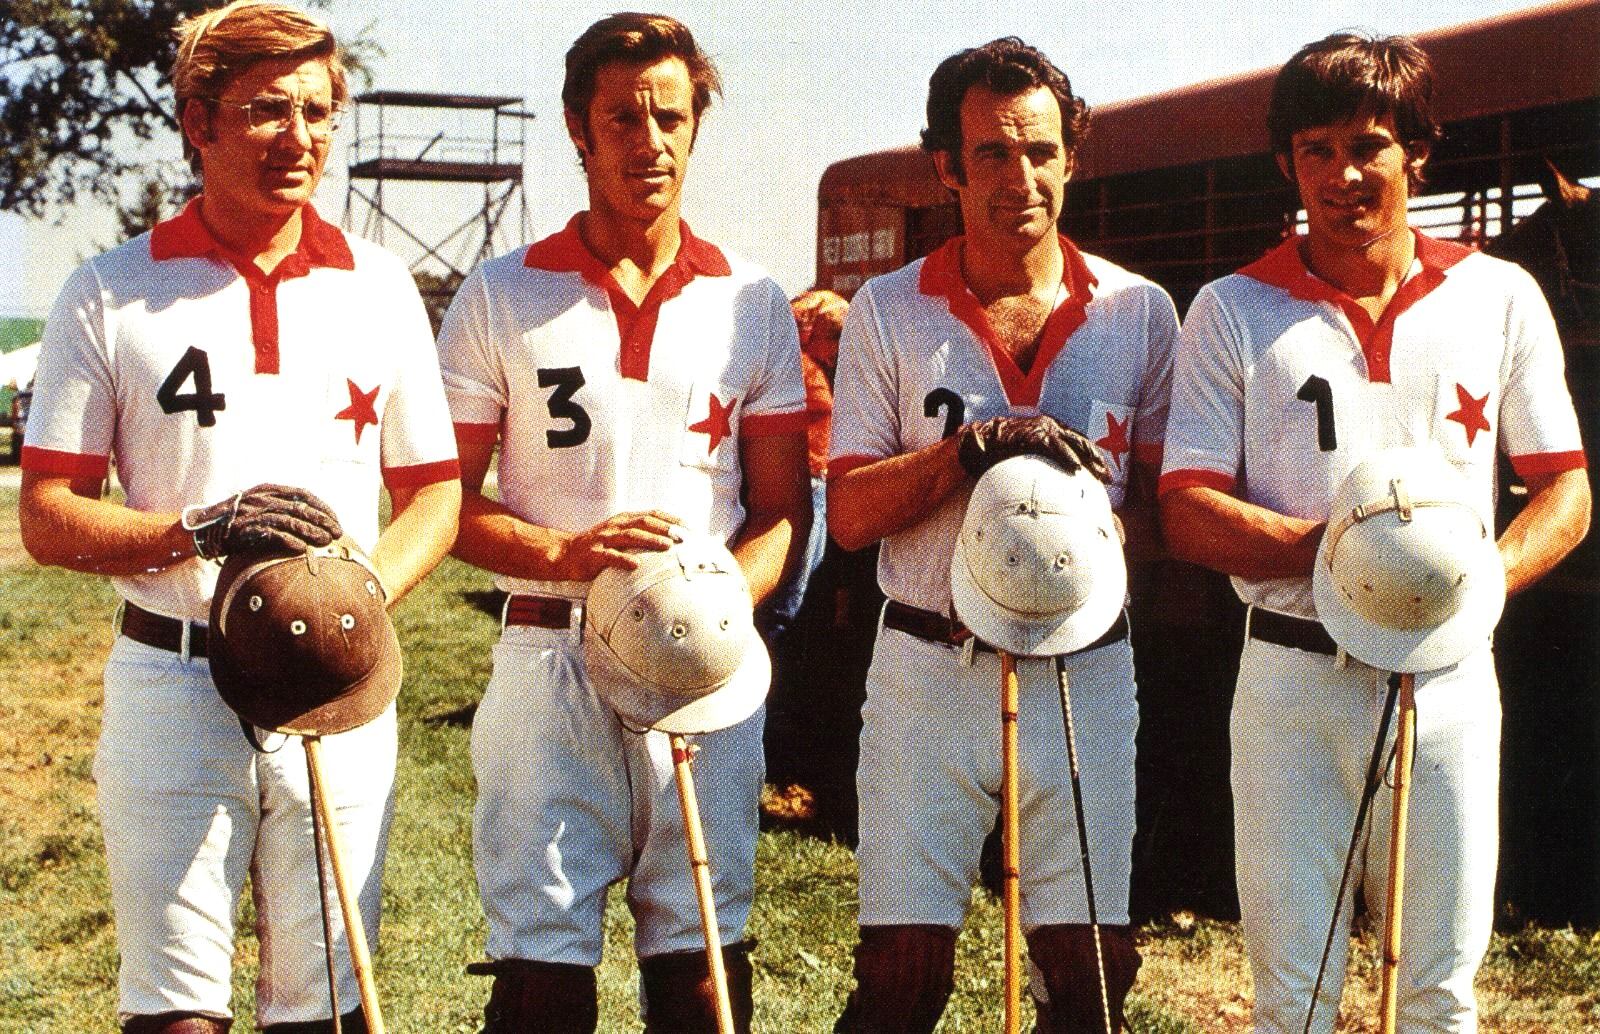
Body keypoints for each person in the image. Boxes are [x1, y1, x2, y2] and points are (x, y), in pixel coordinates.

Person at [16, 3, 462, 1032]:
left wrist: (354, 597)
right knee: (176, 1011)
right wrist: (197, 531)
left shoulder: (381, 286)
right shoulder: (112, 290)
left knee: (327, 1004)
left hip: (338, 682)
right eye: (266, 110)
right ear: (197, 120)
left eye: (318, 110)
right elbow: (47, 513)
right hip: (174, 672)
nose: (298, 137)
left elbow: (436, 490)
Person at [1158, 33, 1590, 1033]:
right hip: (1291, 680)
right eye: (1316, 150)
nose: (1344, 174)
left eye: (1370, 145)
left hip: (1444, 682)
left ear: (1417, 152)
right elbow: (1185, 506)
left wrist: (1464, 578)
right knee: (1292, 996)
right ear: (1286, 164)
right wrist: (1351, 555)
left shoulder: (1498, 295)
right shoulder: (1230, 308)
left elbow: (1564, 489)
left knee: (1436, 995)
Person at [435, 13, 810, 1033]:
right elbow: (441, 505)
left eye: (670, 116)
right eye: (622, 118)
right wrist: (561, 552)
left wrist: (722, 598)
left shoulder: (752, 299)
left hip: (703, 671)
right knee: (542, 977)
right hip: (549, 658)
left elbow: (782, 508)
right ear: (578, 130)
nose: (649, 141)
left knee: (700, 970)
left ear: (695, 128)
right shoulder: (501, 293)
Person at [826, 37, 1177, 1033]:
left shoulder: (1139, 311)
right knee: (902, 974)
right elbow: (847, 513)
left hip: (1084, 667)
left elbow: (1165, 509)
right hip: (927, 662)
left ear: (1072, 157)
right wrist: (970, 448)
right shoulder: (888, 310)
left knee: (1093, 974)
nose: (1017, 178)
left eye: (1038, 151)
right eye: (989, 153)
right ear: (944, 164)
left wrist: (1098, 529)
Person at [756, 288, 847, 643]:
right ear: (808, 330)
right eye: (836, 335)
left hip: (818, 481)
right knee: (792, 594)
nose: (841, 346)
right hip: (807, 482)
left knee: (805, 590)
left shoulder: (812, 367)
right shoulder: (798, 368)